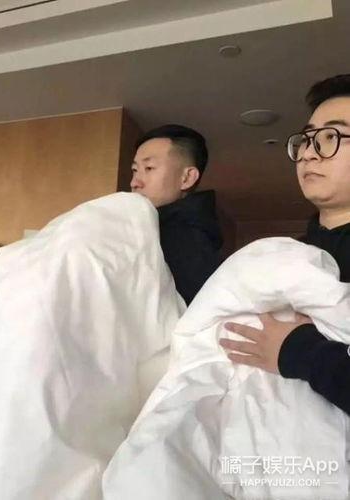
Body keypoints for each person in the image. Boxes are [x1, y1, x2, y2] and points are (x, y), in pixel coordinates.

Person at [220, 74, 350, 415]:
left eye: (331, 137)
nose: (309, 154)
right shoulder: (285, 257)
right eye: (307, 140)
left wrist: (301, 352)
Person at [131, 124, 223, 305]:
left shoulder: (185, 239)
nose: (135, 182)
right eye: (135, 170)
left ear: (187, 178)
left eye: (149, 168)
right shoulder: (151, 228)